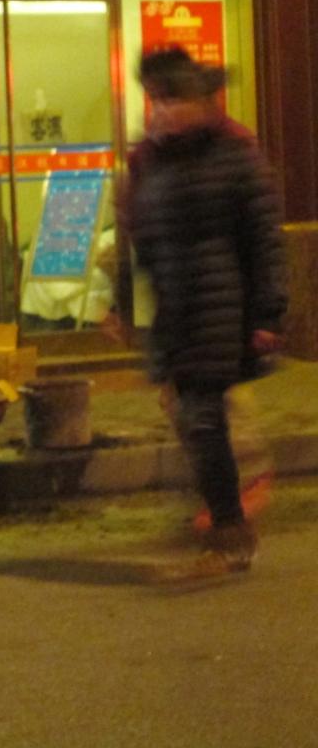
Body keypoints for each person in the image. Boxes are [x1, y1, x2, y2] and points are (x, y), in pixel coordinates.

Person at [127, 46, 286, 574]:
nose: (162, 111)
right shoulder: (151, 160)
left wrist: (267, 314)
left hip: (221, 310)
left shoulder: (234, 155)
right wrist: (125, 303)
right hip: (175, 313)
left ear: (199, 101)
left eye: (172, 100)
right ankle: (229, 526)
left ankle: (229, 532)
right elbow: (143, 239)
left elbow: (264, 238)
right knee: (197, 422)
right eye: (156, 100)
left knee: (203, 419)